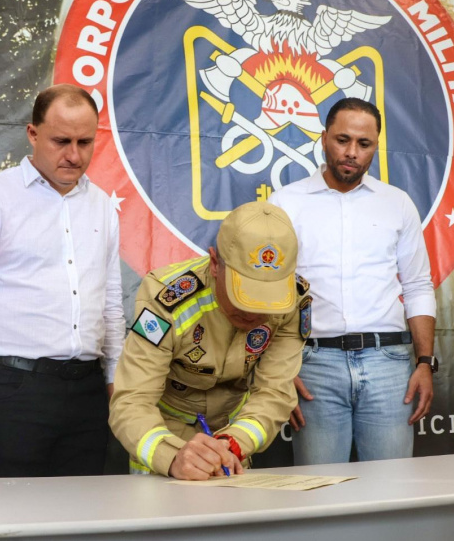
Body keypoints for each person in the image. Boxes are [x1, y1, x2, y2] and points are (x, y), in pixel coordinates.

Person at [0, 84, 124, 478]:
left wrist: (116, 381)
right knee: (10, 519)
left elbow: (111, 303)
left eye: (85, 142)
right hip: (11, 390)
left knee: (80, 516)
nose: (74, 154)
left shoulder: (103, 205)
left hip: (87, 390)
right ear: (33, 134)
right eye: (61, 141)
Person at [269, 98, 437, 465]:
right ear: (324, 137)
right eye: (342, 140)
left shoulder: (397, 203)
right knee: (320, 495)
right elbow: (269, 292)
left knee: (393, 494)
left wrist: (425, 362)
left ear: (375, 146)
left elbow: (418, 286)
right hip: (314, 366)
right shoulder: (286, 203)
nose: (351, 153)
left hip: (389, 364)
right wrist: (279, 369)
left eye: (364, 144)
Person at [109, 201, 309, 480]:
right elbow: (132, 401)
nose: (256, 311)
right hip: (164, 434)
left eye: (269, 298)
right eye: (246, 293)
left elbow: (275, 393)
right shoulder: (166, 299)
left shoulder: (293, 302)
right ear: (215, 264)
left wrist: (233, 443)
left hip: (231, 442)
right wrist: (173, 457)